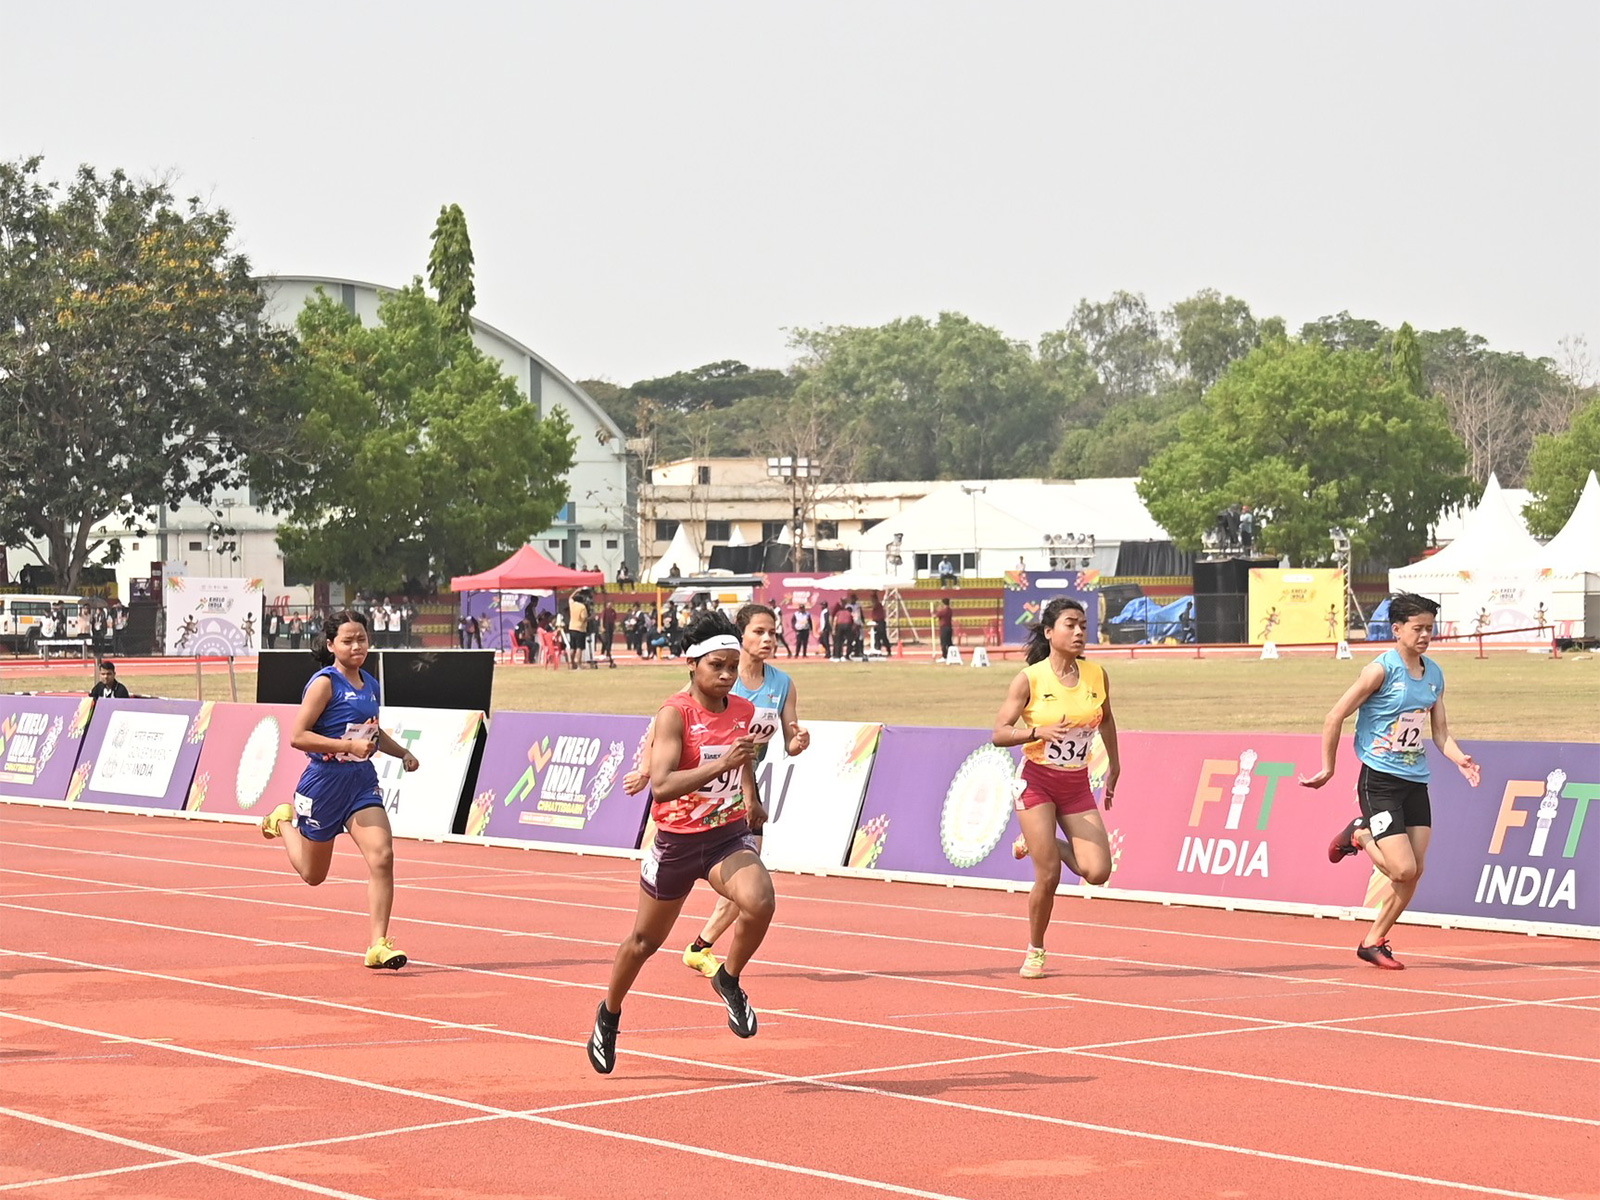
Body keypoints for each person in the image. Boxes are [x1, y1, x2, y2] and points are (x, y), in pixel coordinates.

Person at [588, 610, 774, 1074]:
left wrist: (750, 797)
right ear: (692, 664)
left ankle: (728, 979)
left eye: (733, 666)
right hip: (676, 840)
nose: (728, 676)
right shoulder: (675, 714)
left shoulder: (743, 712)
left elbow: (743, 758)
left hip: (725, 834)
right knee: (643, 942)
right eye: (718, 666)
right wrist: (721, 764)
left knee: (760, 901)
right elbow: (663, 785)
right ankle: (609, 1014)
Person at [1301, 593, 1480, 970]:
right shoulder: (1379, 671)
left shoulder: (1434, 675)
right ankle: (1360, 835)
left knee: (1415, 872)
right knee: (1402, 869)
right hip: (1380, 780)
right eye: (1418, 628)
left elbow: (1440, 732)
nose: (1425, 635)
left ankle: (1373, 941)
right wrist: (1328, 768)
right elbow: (1335, 716)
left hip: (1416, 782)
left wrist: (1459, 758)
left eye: (1430, 629)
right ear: (1397, 630)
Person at [258, 610, 421, 969]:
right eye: (347, 640)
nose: (357, 646)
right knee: (313, 876)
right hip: (324, 784)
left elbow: (372, 733)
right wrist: (345, 747)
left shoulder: (371, 684)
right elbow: (298, 736)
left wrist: (402, 753)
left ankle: (378, 945)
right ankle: (282, 821)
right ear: (331, 645)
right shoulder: (325, 683)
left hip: (360, 782)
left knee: (383, 856)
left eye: (361, 638)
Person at [991, 598, 1119, 978]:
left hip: (1077, 783)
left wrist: (1115, 765)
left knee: (1097, 872)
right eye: (1070, 625)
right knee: (1048, 876)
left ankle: (1040, 840)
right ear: (1049, 633)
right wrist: (1036, 731)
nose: (1079, 632)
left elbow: (1107, 719)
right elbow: (998, 733)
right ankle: (1036, 949)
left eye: (1083, 625)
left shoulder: (1097, 675)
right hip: (1037, 781)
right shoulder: (1030, 679)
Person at [568, 590, 591, 669]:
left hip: (572, 627)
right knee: (579, 647)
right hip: (580, 628)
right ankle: (578, 663)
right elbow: (584, 618)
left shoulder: (572, 604)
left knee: (572, 647)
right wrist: (591, 618)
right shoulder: (582, 607)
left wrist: (576, 590)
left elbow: (570, 597)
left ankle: (572, 663)